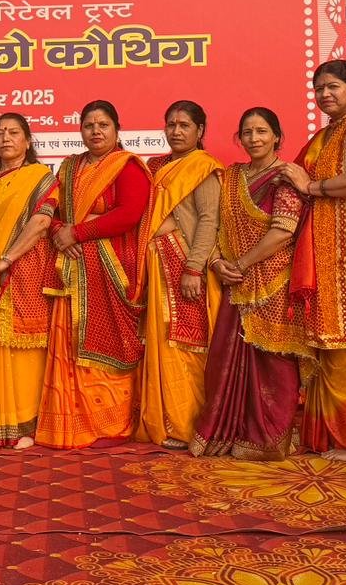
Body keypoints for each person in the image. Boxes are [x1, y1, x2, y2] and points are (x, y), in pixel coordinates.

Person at [277, 59, 346, 460]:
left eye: (333, 87)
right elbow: (291, 178)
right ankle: (334, 435)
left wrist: (314, 187)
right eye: (319, 88)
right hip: (327, 254)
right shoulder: (325, 136)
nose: (325, 94)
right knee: (333, 349)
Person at [190, 108, 312, 459]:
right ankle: (228, 433)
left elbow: (284, 230)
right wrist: (216, 262)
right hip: (233, 281)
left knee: (274, 363)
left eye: (262, 131)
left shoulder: (286, 177)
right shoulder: (230, 177)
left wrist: (241, 263)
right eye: (247, 132)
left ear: (277, 137)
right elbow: (213, 225)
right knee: (225, 360)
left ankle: (268, 439)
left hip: (274, 281)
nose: (254, 138)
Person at [38, 100, 151, 448]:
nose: (96, 131)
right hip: (72, 271)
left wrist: (78, 232)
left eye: (103, 125)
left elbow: (129, 213)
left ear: (117, 129)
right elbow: (51, 208)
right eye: (89, 125)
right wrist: (58, 231)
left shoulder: (126, 166)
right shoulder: (69, 167)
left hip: (111, 270)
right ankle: (69, 423)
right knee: (68, 342)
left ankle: (110, 424)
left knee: (109, 340)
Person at [136, 101, 224, 448]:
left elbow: (209, 220)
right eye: (171, 124)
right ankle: (167, 422)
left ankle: (190, 426)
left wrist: (194, 268)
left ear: (200, 130)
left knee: (188, 345)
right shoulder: (157, 166)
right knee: (161, 343)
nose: (176, 131)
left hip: (186, 266)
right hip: (158, 266)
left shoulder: (203, 167)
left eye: (184, 125)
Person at [0, 113, 56, 449]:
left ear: (28, 140)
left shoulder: (41, 177)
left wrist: (5, 260)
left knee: (24, 351)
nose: (6, 138)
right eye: (0, 132)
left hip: (24, 271)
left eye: (14, 132)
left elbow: (40, 224)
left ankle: (26, 424)